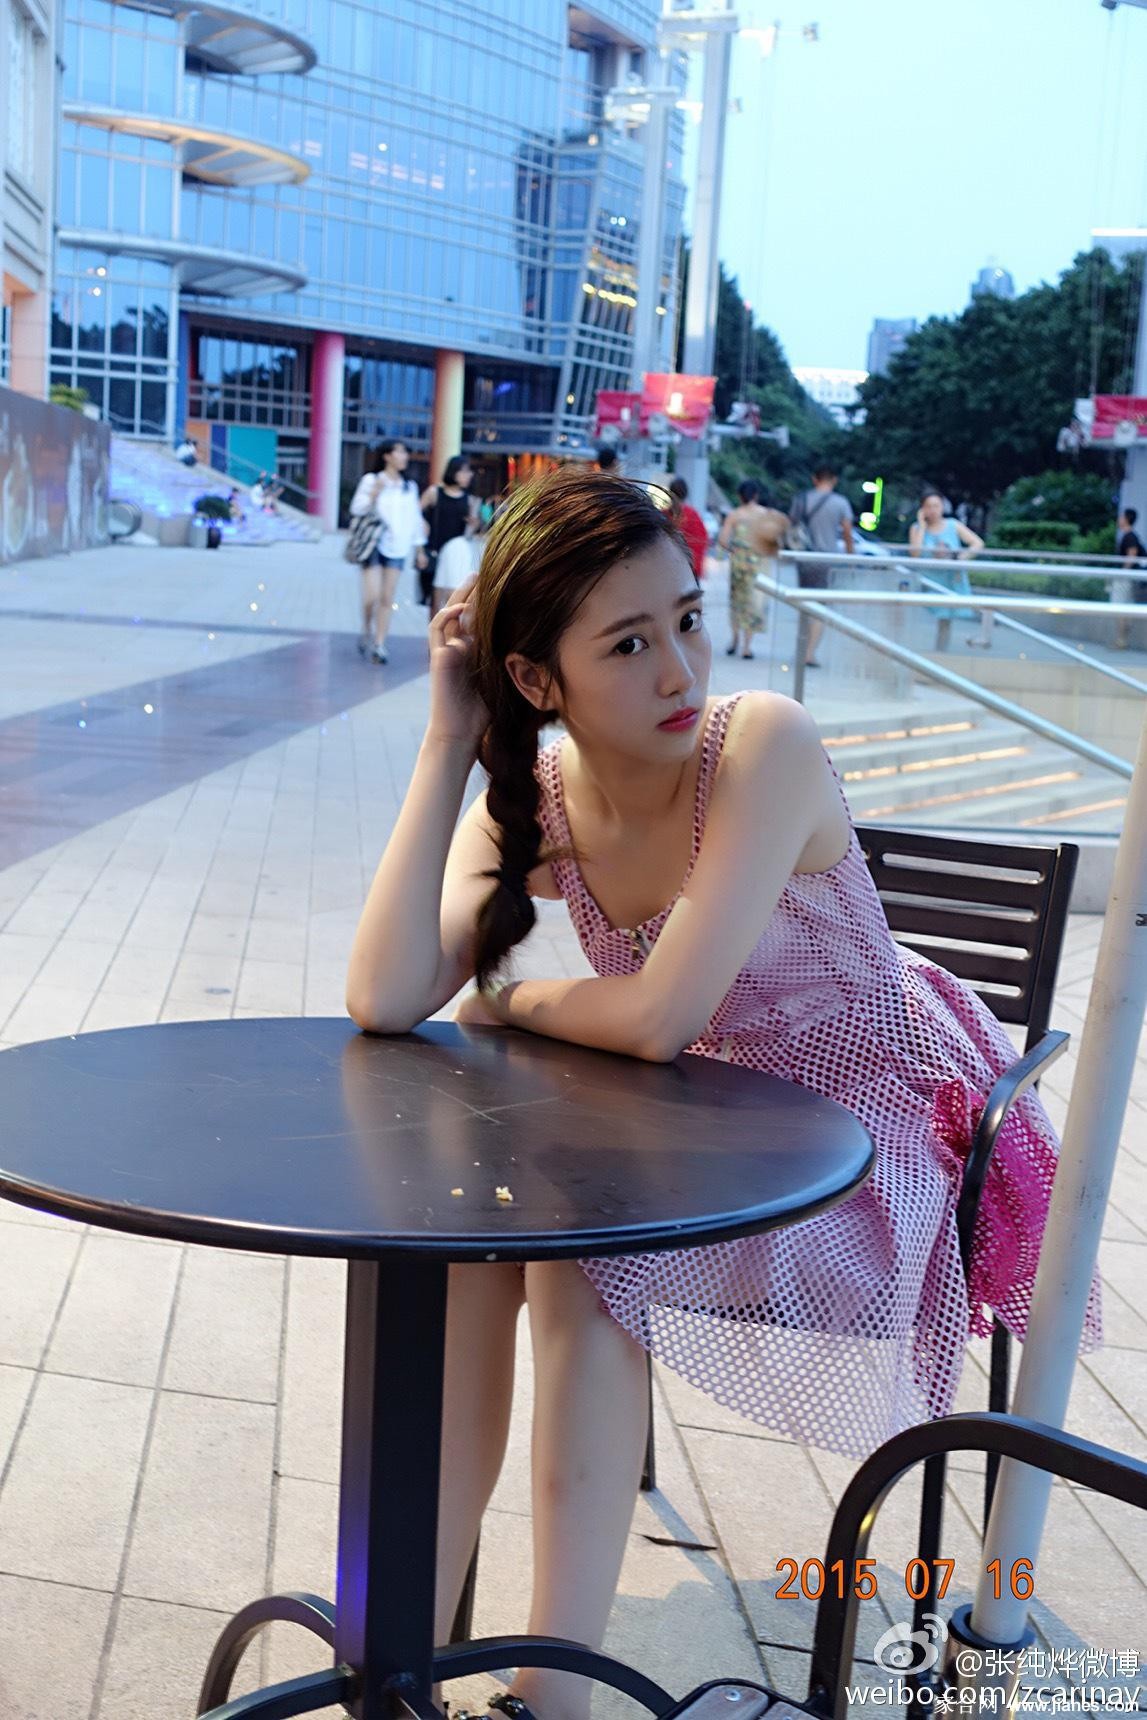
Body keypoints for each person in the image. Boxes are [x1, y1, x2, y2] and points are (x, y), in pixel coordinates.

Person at [346, 468, 1097, 1720]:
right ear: (535, 679)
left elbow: (658, 1017)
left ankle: (547, 1697)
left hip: (872, 1154)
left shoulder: (761, 744)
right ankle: (400, 1665)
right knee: (472, 1241)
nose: (680, 669)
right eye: (628, 643)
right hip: (699, 1133)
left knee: (579, 1256)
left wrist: (510, 999)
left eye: (687, 620)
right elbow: (381, 993)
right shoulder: (544, 796)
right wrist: (444, 739)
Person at [347, 439, 428, 664]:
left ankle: (379, 643)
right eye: (400, 452)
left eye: (405, 453)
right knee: (371, 596)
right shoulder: (372, 480)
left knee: (386, 598)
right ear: (387, 456)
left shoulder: (409, 487)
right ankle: (366, 627)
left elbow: (415, 520)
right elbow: (356, 508)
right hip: (373, 544)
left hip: (398, 547)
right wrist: (374, 494)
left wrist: (420, 550)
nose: (404, 456)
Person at [789, 464, 854, 668]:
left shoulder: (801, 499)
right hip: (827, 559)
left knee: (805, 604)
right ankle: (809, 653)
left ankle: (802, 649)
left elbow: (791, 526)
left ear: (814, 479)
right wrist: (850, 557)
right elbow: (847, 532)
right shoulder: (841, 502)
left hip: (803, 558)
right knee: (821, 606)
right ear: (834, 480)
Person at [716, 478, 787, 659]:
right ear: (756, 495)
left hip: (739, 563)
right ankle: (747, 647)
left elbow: (723, 540)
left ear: (740, 496)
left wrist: (734, 550)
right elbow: (777, 537)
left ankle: (734, 640)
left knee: (737, 601)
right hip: (759, 563)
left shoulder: (734, 515)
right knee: (754, 603)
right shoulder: (766, 514)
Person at [908, 491, 988, 651]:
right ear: (922, 509)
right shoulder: (916, 528)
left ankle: (940, 653)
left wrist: (960, 558)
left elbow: (977, 543)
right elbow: (915, 553)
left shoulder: (953, 525)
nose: (932, 510)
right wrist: (922, 526)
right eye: (928, 506)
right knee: (922, 618)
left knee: (944, 621)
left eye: (936, 506)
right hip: (928, 582)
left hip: (949, 580)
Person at [421, 455, 477, 617]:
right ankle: (434, 631)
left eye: (469, 472)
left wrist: (473, 525)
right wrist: (422, 528)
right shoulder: (434, 492)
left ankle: (445, 630)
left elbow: (469, 533)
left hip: (456, 552)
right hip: (435, 550)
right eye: (464, 471)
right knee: (435, 598)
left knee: (453, 597)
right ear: (454, 471)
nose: (469, 475)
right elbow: (415, 514)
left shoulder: (469, 499)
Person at [1112, 507, 1145, 649]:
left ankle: (1121, 640)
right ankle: (1122, 640)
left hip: (1126, 577)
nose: (1119, 519)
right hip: (1129, 577)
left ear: (1126, 519)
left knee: (1120, 606)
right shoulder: (1131, 536)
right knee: (1124, 607)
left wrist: (1123, 573)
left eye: (1121, 517)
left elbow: (1132, 555)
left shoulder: (1130, 536)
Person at [668, 474, 708, 578]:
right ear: (686, 494)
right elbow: (702, 540)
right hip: (689, 569)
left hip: (668, 568)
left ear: (669, 493)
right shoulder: (692, 515)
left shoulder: (663, 515)